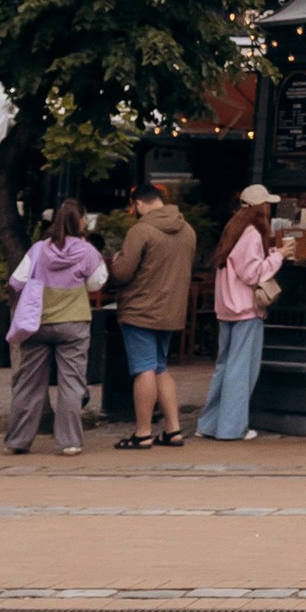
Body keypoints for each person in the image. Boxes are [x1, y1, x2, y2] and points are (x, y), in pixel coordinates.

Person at [6, 201, 109, 457]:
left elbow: (16, 281)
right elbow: (97, 283)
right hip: (74, 323)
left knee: (28, 383)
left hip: (36, 323)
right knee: (72, 383)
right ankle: (69, 442)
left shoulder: (38, 249)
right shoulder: (87, 251)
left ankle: (17, 441)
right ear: (81, 221)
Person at [107, 176, 197, 452]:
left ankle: (143, 433)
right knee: (160, 368)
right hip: (171, 310)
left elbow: (122, 272)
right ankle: (172, 429)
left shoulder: (141, 231)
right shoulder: (188, 231)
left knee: (143, 369)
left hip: (141, 310)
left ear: (138, 204)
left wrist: (114, 261)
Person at [198, 188, 284, 443]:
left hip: (227, 309)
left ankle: (210, 423)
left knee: (224, 367)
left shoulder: (233, 229)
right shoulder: (252, 233)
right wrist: (280, 255)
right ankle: (231, 428)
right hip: (245, 310)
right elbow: (253, 273)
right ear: (262, 208)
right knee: (241, 370)